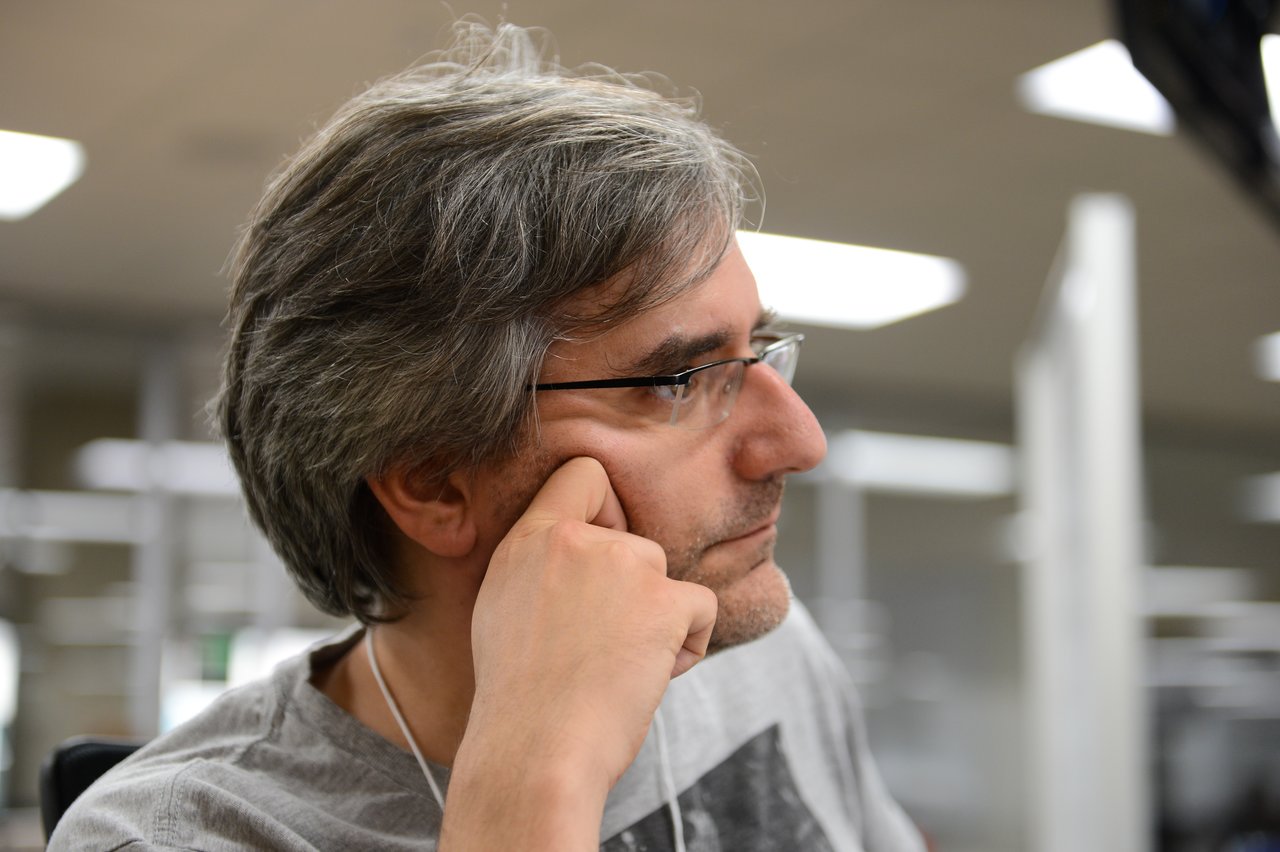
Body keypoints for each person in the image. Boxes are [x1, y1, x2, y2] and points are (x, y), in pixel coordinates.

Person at [50, 21, 924, 852]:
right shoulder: (178, 835)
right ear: (434, 483)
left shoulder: (755, 653)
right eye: (677, 381)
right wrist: (535, 776)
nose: (799, 441)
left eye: (760, 352)